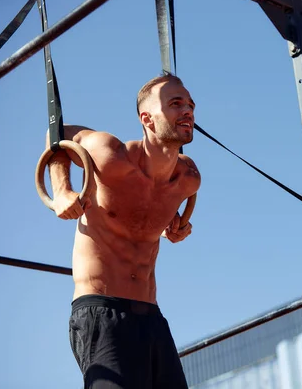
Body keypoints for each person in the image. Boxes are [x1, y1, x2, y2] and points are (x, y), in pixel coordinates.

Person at [46, 73, 199, 388]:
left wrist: (178, 225)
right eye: (175, 104)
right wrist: (61, 190)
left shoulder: (188, 178)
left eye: (190, 104)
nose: (187, 110)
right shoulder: (109, 154)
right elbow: (56, 136)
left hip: (152, 317)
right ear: (148, 119)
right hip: (101, 312)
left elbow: (165, 217)